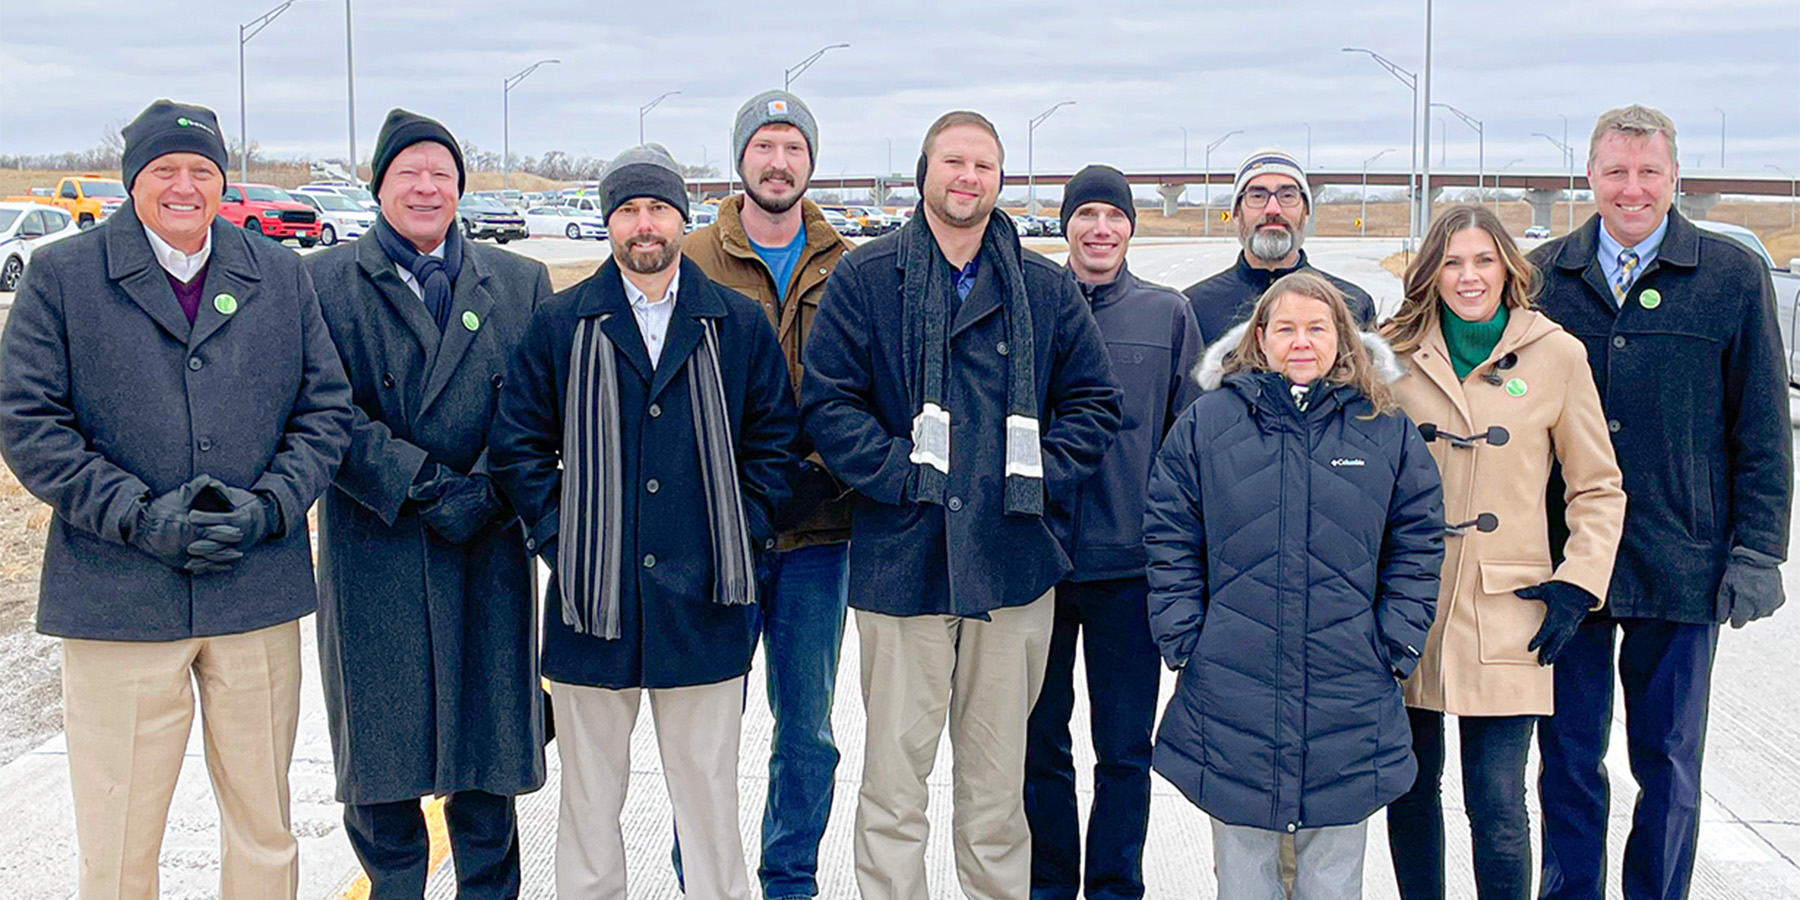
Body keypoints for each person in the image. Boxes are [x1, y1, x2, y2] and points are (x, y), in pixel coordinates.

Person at [0, 98, 352, 900]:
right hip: (117, 595)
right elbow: (29, 423)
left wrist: (269, 508)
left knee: (265, 828)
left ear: (224, 182)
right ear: (133, 182)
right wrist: (136, 515)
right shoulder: (63, 276)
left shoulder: (278, 275)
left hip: (253, 588)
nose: (185, 186)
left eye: (203, 171)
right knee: (119, 840)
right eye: (165, 170)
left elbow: (325, 411)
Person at [801, 110, 1122, 900]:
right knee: (892, 788)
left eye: (983, 165)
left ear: (1001, 182)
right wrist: (899, 474)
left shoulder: (1044, 288)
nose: (967, 177)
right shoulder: (867, 276)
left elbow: (1095, 403)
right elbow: (829, 401)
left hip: (1012, 566)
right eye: (953, 162)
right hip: (902, 563)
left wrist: (1033, 477)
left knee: (995, 790)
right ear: (924, 172)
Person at [488, 144, 799, 900]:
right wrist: (565, 540)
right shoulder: (563, 323)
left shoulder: (736, 325)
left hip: (705, 603)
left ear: (680, 217)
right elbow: (518, 446)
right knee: (590, 805)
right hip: (594, 609)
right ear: (608, 225)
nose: (644, 224)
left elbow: (776, 445)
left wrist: (738, 530)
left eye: (657, 207)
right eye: (627, 210)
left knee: (708, 802)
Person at [1528, 105, 1792, 900]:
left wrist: (1758, 550)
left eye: (1648, 172)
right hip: (1569, 565)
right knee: (1569, 760)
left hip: (1684, 563)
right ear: (1591, 176)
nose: (1632, 188)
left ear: (1675, 177)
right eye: (1616, 171)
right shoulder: (1542, 276)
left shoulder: (1730, 277)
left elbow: (1763, 425)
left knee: (1670, 763)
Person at [305, 108, 551, 900]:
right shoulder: (323, 282)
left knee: (485, 775)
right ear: (378, 184)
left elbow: (540, 405)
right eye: (408, 171)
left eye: (441, 173)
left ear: (459, 188)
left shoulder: (518, 282)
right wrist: (419, 482)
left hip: (488, 541)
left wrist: (486, 485)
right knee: (383, 772)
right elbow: (321, 407)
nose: (425, 186)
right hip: (377, 542)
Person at [1144, 271, 1443, 900]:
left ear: (1344, 338)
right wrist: (1185, 638)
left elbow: (1417, 541)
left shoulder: (1384, 428)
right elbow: (1170, 533)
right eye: (1285, 328)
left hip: (1350, 685)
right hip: (1233, 686)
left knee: (1332, 880)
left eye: (1317, 327)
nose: (1301, 341)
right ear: (1259, 337)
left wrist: (1395, 644)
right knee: (1244, 876)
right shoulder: (1208, 424)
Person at [1379, 203, 1626, 900]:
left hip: (1508, 604)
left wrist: (1578, 584)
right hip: (1408, 602)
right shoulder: (1389, 353)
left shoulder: (1556, 354)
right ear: (1430, 271)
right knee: (1409, 787)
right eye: (1452, 261)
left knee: (1496, 800)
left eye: (1483, 260)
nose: (1468, 276)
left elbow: (1598, 486)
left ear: (1509, 269)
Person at [681, 90, 855, 900]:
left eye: (792, 147)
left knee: (808, 736)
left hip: (819, 539)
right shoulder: (686, 260)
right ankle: (704, 879)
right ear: (740, 158)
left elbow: (874, 388)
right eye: (764, 146)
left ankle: (790, 880)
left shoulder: (850, 265)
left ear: (810, 162)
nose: (777, 162)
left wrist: (823, 474)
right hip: (715, 539)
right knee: (703, 734)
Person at [1024, 163, 1201, 900]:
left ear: (1132, 227)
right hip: (1037, 565)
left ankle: (1114, 886)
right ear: (1065, 225)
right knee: (1040, 745)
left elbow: (1188, 442)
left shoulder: (1167, 315)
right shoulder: (1031, 307)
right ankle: (1048, 885)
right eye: (1086, 215)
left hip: (1130, 572)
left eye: (1114, 216)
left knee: (1125, 749)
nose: (1101, 229)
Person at [1182, 148, 1376, 343]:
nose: (1273, 209)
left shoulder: (1352, 304)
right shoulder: (1193, 308)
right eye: (1257, 196)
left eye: (1288, 196)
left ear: (1306, 212)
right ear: (1236, 213)